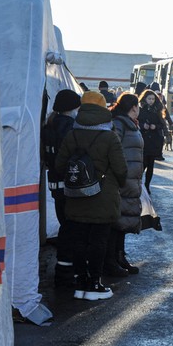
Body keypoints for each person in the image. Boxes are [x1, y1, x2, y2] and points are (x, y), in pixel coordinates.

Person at [54, 91, 128, 301]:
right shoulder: (109, 136)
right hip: (103, 196)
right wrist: (115, 184)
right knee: (98, 241)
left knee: (78, 240)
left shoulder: (72, 133)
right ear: (103, 110)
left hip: (76, 196)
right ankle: (95, 285)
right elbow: (121, 169)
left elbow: (60, 165)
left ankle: (81, 284)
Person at [41, 89, 82, 287]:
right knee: (71, 230)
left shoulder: (49, 125)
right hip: (70, 186)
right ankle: (66, 272)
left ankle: (63, 270)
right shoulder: (70, 128)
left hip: (55, 185)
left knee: (64, 225)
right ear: (72, 108)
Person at [107, 93, 144, 277]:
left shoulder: (129, 124)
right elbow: (115, 150)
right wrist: (121, 175)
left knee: (122, 220)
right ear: (133, 107)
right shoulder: (120, 124)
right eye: (138, 107)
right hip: (123, 180)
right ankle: (112, 260)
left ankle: (119, 257)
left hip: (130, 180)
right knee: (117, 220)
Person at [137, 89, 166, 191]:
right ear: (145, 99)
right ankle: (139, 183)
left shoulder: (157, 110)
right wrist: (142, 125)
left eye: (153, 99)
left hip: (154, 140)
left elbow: (162, 124)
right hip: (143, 139)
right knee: (143, 163)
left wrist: (156, 126)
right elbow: (135, 121)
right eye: (149, 98)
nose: (151, 101)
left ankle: (147, 185)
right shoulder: (140, 109)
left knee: (151, 164)